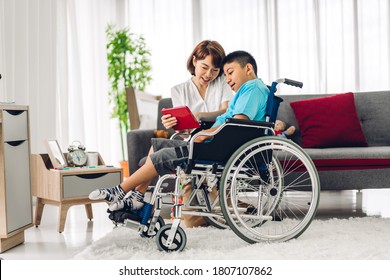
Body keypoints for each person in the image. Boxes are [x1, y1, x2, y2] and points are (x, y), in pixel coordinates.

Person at [89, 50, 270, 215]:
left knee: (164, 155)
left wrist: (205, 134)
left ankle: (119, 191)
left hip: (219, 146)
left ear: (248, 68)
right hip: (214, 142)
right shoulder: (247, 90)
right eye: (226, 75)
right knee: (157, 144)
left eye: (230, 73)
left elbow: (237, 123)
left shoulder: (252, 88)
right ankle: (136, 197)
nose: (227, 79)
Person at [161, 40, 233, 130]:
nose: (208, 75)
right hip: (194, 141)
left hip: (218, 136)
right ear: (194, 61)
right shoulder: (178, 90)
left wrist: (199, 115)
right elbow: (185, 134)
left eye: (215, 70)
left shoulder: (222, 81)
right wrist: (175, 126)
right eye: (204, 67)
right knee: (156, 144)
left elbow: (227, 112)